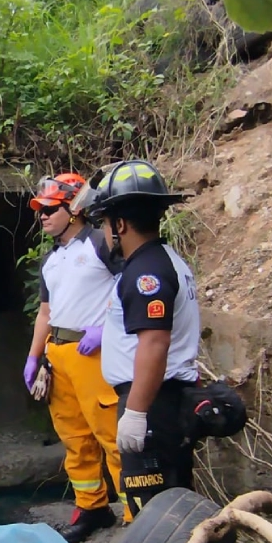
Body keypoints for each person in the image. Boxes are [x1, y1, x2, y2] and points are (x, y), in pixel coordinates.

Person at [74, 159, 201, 520]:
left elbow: (154, 343)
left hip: (152, 401)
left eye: (104, 224)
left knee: (154, 512)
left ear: (121, 223)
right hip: (159, 399)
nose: (104, 233)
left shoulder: (147, 271)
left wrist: (136, 413)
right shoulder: (162, 260)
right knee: (171, 505)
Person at [22, 173, 130, 543]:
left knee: (112, 435)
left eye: (50, 209)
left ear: (74, 209)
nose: (43, 217)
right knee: (74, 438)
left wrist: (105, 328)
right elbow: (45, 312)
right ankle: (93, 507)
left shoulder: (100, 243)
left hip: (95, 353)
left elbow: (128, 283)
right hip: (60, 354)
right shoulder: (51, 260)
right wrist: (34, 357)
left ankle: (137, 513)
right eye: (40, 211)